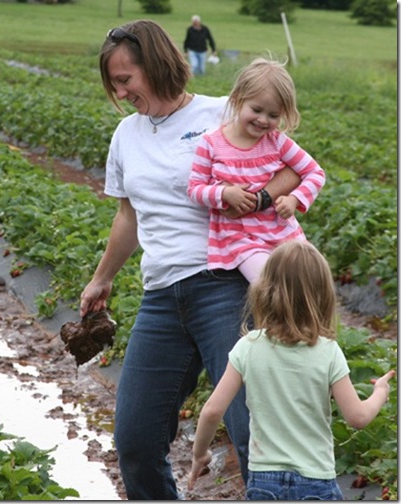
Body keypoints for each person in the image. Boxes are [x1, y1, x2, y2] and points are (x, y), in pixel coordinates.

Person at [79, 19, 301, 500]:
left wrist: (258, 199)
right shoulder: (126, 135)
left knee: (250, 431)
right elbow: (128, 215)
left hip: (227, 287)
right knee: (135, 440)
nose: (121, 92)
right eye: (114, 83)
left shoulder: (222, 113)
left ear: (156, 66)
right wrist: (102, 278)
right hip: (161, 299)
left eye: (125, 79)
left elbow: (291, 168)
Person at [188, 240, 395, 500]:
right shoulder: (327, 351)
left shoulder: (247, 347)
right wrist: (380, 392)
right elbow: (358, 418)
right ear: (323, 296)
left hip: (264, 481)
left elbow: (212, 411)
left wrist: (199, 454)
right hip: (316, 480)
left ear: (264, 290)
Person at [188, 57, 326, 284]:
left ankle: (300, 321)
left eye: (273, 116)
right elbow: (195, 190)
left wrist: (294, 199)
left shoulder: (277, 142)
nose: (263, 120)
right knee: (268, 284)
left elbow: (315, 172)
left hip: (283, 232)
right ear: (237, 99)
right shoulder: (211, 144)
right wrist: (224, 194)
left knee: (311, 280)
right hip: (241, 238)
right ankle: (271, 320)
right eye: (257, 110)